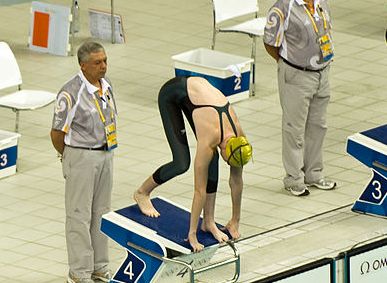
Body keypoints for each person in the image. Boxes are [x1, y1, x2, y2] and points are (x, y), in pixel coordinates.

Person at [133, 76, 252, 252]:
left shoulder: (239, 139)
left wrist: (235, 220)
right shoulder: (210, 138)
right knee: (181, 163)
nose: (229, 164)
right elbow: (199, 191)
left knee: (213, 158)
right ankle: (142, 192)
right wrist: (192, 234)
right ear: (227, 149)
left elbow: (236, 181)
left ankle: (209, 222)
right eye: (229, 161)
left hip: (199, 100)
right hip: (173, 93)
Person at [50, 41, 117, 283]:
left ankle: (100, 267)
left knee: (102, 213)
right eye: (97, 63)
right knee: (79, 216)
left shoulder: (107, 87)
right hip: (81, 156)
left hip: (106, 153)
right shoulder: (70, 93)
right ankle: (79, 273)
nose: (103, 66)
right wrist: (70, 156)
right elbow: (57, 133)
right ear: (83, 65)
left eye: (105, 61)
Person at [263, 0, 336, 196]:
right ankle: (294, 179)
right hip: (297, 75)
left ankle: (314, 173)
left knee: (318, 126)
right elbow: (270, 43)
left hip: (322, 72)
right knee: (293, 129)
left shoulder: (321, 2)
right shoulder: (283, 7)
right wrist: (289, 64)